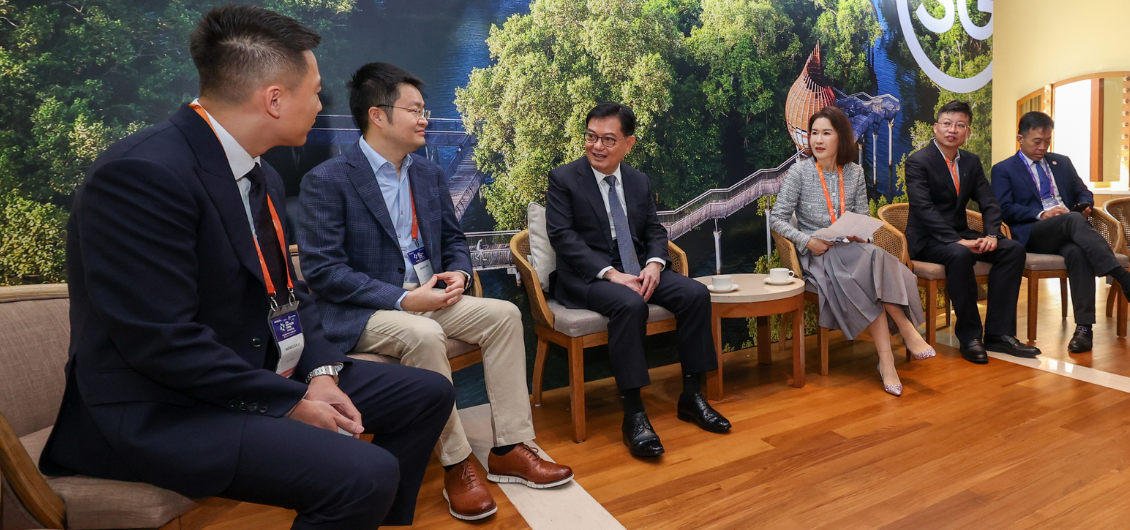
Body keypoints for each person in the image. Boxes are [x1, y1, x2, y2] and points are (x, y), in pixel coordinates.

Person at [38, 6, 454, 529]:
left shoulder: (261, 177)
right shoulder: (141, 175)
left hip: (257, 369)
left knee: (427, 392)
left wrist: (322, 373)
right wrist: (292, 399)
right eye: (315, 90)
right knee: (363, 474)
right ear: (274, 99)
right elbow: (162, 342)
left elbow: (289, 294)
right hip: (163, 409)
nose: (320, 103)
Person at [297, 63, 574, 521]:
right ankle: (457, 462)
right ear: (378, 115)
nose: (425, 118)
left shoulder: (426, 174)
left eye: (426, 110)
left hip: (431, 295)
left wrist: (460, 275)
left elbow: (452, 242)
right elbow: (325, 271)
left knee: (504, 314)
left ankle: (509, 447)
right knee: (421, 335)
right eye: (416, 110)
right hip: (366, 310)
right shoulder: (328, 180)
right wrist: (405, 298)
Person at [545, 101, 729, 458]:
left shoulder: (638, 180)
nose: (597, 146)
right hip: (590, 275)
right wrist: (612, 274)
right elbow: (563, 238)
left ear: (628, 144)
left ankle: (692, 396)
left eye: (608, 140)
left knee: (695, 294)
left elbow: (654, 230)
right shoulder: (564, 178)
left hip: (638, 266)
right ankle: (634, 415)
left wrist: (656, 263)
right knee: (630, 306)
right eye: (591, 137)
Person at [770, 106, 934, 396]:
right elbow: (777, 219)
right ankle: (905, 334)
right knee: (877, 262)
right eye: (814, 133)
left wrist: (859, 232)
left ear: (841, 138)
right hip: (819, 254)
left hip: (851, 248)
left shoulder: (855, 172)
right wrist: (807, 241)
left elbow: (859, 213)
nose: (817, 140)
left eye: (826, 133)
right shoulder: (799, 172)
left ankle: (887, 359)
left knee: (873, 258)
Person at [993, 111, 1130, 353]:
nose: (1043, 147)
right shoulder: (1004, 169)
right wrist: (1041, 214)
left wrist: (1085, 204)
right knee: (1072, 221)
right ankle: (1128, 281)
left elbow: (1083, 192)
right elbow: (1004, 208)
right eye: (1037, 141)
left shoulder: (1062, 162)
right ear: (1020, 138)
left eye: (1047, 141)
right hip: (1034, 233)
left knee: (1077, 251)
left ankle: (1084, 329)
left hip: (1070, 230)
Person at [904, 101, 1040, 363]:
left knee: (1012, 250)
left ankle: (999, 334)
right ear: (936, 127)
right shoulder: (918, 161)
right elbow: (924, 208)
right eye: (946, 123)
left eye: (960, 125)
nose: (952, 130)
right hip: (928, 239)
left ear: (967, 131)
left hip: (960, 234)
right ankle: (970, 336)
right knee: (959, 255)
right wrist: (958, 240)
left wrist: (991, 235)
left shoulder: (971, 161)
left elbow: (989, 202)